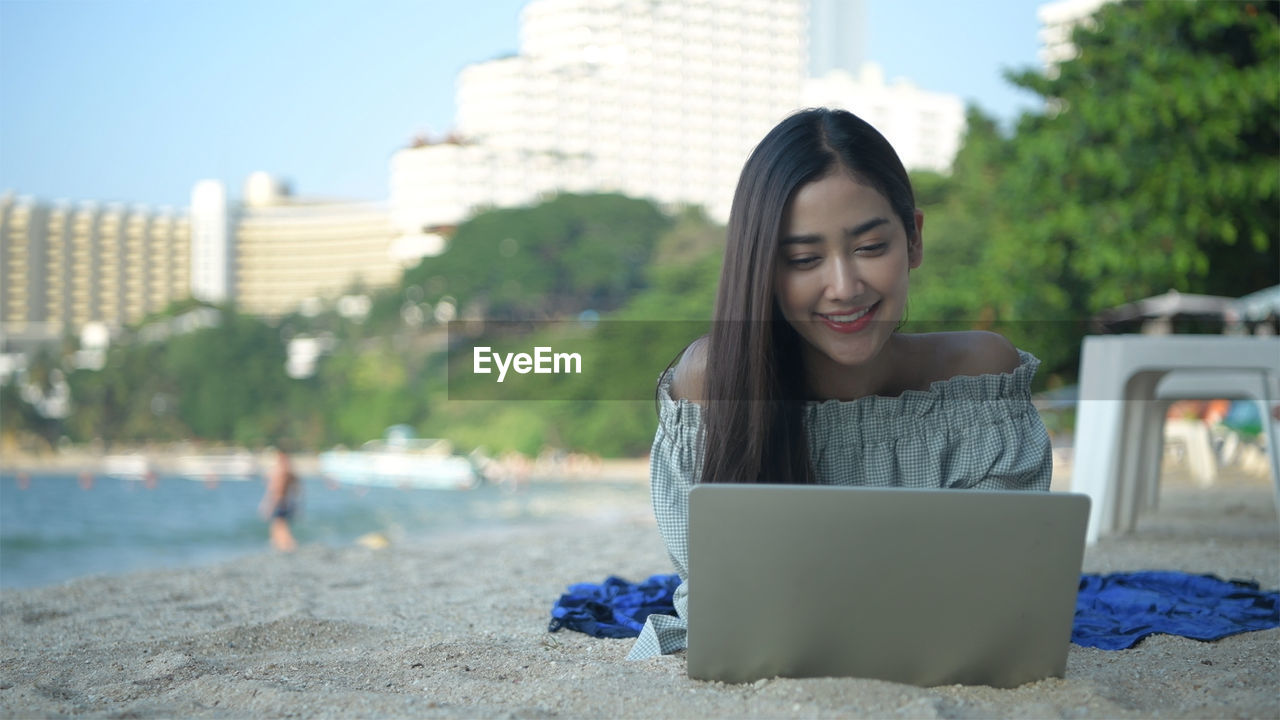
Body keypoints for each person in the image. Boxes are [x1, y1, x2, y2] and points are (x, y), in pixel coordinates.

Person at [627, 108, 1053, 660]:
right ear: (762, 270)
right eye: (804, 259)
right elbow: (719, 597)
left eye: (871, 248)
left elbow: (1000, 583)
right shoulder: (711, 384)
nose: (844, 287)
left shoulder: (979, 379)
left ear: (914, 241)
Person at [259, 449, 301, 552]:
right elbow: (296, 490)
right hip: (287, 502)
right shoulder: (290, 473)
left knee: (279, 527)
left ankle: (288, 547)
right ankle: (286, 547)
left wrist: (268, 506)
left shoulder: (280, 473)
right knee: (281, 526)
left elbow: (275, 492)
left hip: (279, 502)